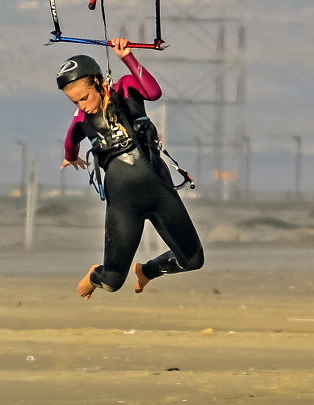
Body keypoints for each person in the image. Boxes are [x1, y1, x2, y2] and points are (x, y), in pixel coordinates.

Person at [56, 38, 204, 298]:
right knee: (112, 282)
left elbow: (154, 92)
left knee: (193, 260)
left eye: (85, 97)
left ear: (100, 84)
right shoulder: (82, 119)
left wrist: (128, 57)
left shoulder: (125, 88)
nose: (83, 105)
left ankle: (147, 271)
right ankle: (94, 275)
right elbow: (70, 142)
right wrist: (71, 157)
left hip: (161, 191)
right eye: (75, 102)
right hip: (123, 205)